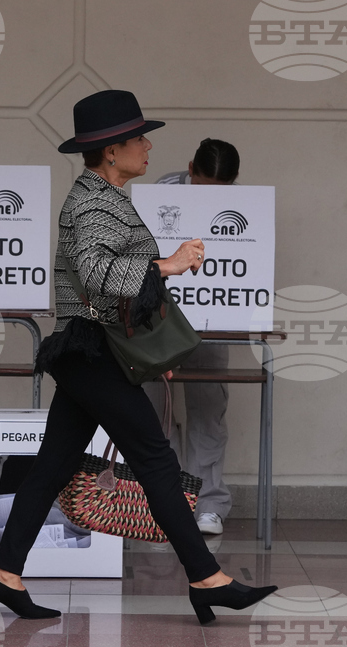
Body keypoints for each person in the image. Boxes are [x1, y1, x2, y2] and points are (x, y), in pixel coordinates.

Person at [0, 91, 275, 625]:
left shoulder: (106, 195)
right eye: (139, 138)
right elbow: (95, 277)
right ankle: (207, 579)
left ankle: (3, 574)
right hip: (90, 352)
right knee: (157, 459)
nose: (147, 145)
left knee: (53, 466)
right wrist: (167, 264)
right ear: (111, 150)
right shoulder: (93, 201)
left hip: (92, 351)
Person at [147, 138, 241, 537]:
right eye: (202, 188)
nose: (210, 199)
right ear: (190, 170)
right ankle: (158, 504)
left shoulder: (243, 205)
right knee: (153, 413)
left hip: (211, 320)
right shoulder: (158, 196)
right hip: (160, 319)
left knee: (207, 410)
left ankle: (209, 504)